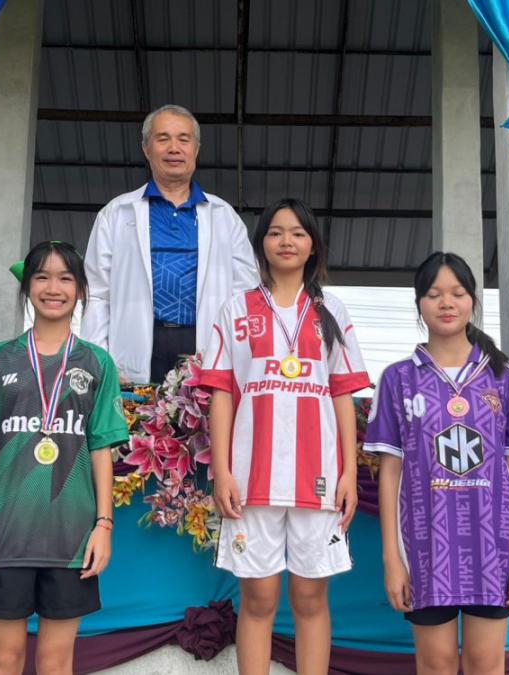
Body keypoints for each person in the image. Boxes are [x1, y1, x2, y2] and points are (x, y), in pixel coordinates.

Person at [200, 198, 370, 675]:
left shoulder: (331, 311)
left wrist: (349, 473)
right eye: (276, 232)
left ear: (313, 245)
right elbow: (221, 394)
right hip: (251, 478)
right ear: (261, 244)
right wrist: (222, 472)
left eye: (298, 232)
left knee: (310, 596)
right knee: (258, 597)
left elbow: (343, 394)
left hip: (319, 478)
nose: (287, 241)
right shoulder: (235, 310)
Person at [364, 252, 509, 675]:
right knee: (436, 664)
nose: (446, 303)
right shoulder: (397, 379)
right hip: (424, 545)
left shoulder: (505, 376)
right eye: (434, 294)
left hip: (494, 545)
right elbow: (390, 473)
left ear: (472, 301)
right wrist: (392, 558)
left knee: (486, 663)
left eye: (457, 293)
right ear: (419, 303)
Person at [0, 241, 130, 675]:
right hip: (2, 536)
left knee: (56, 661)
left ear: (81, 289)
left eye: (66, 278)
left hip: (71, 539)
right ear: (27, 286)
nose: (54, 288)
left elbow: (101, 450)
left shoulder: (97, 363)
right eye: (42, 277)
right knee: (5, 658)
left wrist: (103, 526)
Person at [81, 104, 259, 384]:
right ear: (146, 148)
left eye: (184, 139)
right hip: (136, 343)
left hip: (205, 345)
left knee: (202, 413)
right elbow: (97, 294)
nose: (174, 148)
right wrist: (100, 360)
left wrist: (240, 358)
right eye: (163, 138)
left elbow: (246, 296)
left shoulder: (225, 216)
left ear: (196, 150)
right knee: (134, 412)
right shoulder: (116, 213)